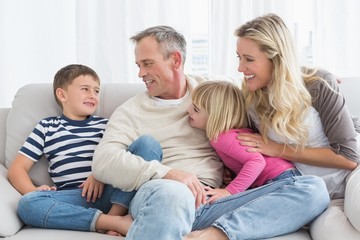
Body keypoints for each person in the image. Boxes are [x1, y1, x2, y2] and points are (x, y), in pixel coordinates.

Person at [92, 25, 329, 240]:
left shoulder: (213, 91)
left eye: (147, 63)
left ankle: (215, 234)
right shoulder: (131, 110)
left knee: (314, 189)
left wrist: (317, 78)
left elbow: (269, 75)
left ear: (175, 60)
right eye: (138, 65)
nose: (140, 73)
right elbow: (103, 160)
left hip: (213, 203)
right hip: (165, 192)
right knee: (174, 194)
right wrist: (168, 173)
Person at [233, 13, 360, 238]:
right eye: (238, 57)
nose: (240, 68)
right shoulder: (251, 99)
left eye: (249, 59)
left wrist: (277, 148)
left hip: (352, 176)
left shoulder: (318, 84)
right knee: (332, 234)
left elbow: (349, 157)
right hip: (314, 195)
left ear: (277, 58)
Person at [7, 64, 163, 236]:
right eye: (85, 89)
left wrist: (99, 174)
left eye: (96, 91)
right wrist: (34, 191)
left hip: (114, 191)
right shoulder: (47, 127)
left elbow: (128, 155)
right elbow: (17, 169)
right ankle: (112, 223)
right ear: (62, 94)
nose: (93, 95)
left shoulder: (106, 124)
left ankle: (116, 214)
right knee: (28, 204)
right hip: (75, 198)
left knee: (149, 144)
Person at [188, 80, 299, 203]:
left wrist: (230, 191)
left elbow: (257, 161)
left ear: (215, 117)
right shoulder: (231, 134)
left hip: (279, 179)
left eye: (196, 109)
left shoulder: (221, 138)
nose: (188, 110)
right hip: (285, 175)